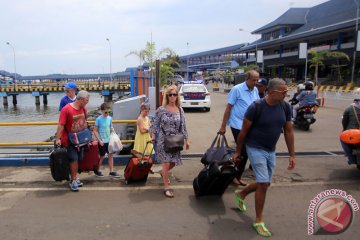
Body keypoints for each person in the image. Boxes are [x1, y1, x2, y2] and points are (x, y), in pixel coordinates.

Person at [232, 78, 295, 237]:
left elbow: (288, 131)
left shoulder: (286, 106)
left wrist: (292, 155)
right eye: (284, 92)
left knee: (264, 182)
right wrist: (238, 152)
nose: (286, 94)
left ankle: (241, 194)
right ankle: (258, 220)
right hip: (254, 147)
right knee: (264, 183)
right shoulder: (256, 107)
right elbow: (243, 132)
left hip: (270, 150)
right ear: (272, 92)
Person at [219, 70, 260, 186]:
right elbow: (228, 108)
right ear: (246, 79)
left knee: (246, 151)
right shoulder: (237, 89)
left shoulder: (255, 90)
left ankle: (233, 173)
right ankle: (235, 176)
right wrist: (223, 126)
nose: (255, 82)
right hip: (237, 125)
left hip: (250, 125)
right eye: (253, 80)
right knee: (243, 152)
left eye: (257, 80)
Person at [152, 85, 190, 198]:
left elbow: (184, 126)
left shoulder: (180, 110)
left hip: (176, 140)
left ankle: (163, 172)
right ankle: (166, 187)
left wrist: (187, 140)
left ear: (177, 96)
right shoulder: (161, 110)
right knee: (167, 162)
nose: (172, 96)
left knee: (173, 163)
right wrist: (153, 136)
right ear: (167, 96)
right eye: (170, 95)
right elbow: (155, 124)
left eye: (174, 94)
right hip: (163, 140)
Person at [55, 90, 90, 192]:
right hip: (69, 140)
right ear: (81, 100)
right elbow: (61, 125)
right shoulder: (66, 109)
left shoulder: (83, 108)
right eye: (86, 100)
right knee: (73, 159)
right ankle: (73, 180)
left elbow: (85, 119)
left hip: (81, 139)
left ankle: (73, 177)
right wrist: (58, 138)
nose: (87, 102)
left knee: (79, 158)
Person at [92, 102, 120, 178]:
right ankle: (97, 170)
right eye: (106, 112)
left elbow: (111, 127)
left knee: (111, 155)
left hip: (109, 140)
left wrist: (112, 131)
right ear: (102, 111)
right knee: (101, 156)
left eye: (109, 112)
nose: (107, 114)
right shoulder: (98, 119)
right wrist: (99, 140)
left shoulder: (110, 118)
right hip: (102, 141)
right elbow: (94, 130)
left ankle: (111, 171)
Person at [341, 90, 360, 164]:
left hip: (354, 133)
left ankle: (351, 159)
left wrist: (344, 129)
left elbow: (344, 121)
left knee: (342, 139)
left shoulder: (349, 108)